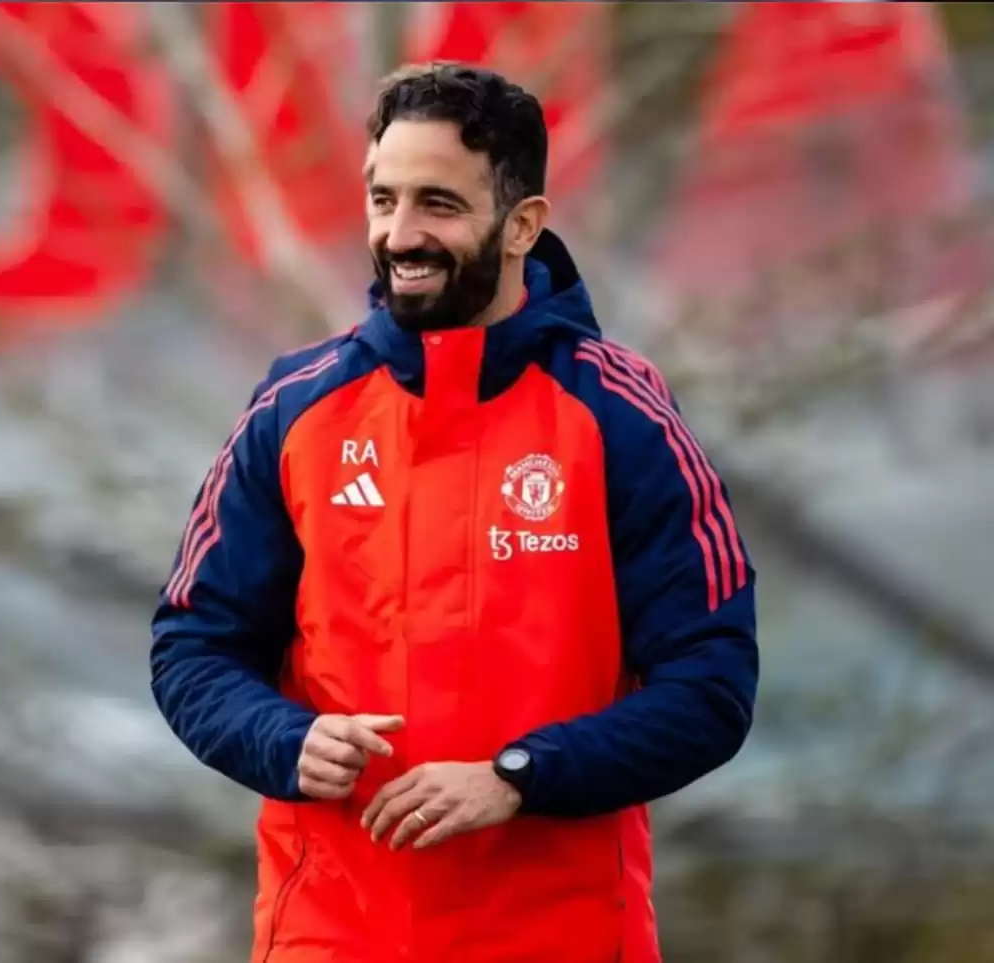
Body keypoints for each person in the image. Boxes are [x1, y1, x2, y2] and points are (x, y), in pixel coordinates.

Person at [150, 63, 758, 963]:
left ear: (523, 225)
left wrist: (521, 776)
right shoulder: (294, 407)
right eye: (382, 199)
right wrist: (285, 738)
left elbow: (711, 685)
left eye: (437, 203)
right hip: (330, 935)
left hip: (561, 937)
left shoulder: (621, 414)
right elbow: (193, 646)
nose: (400, 234)